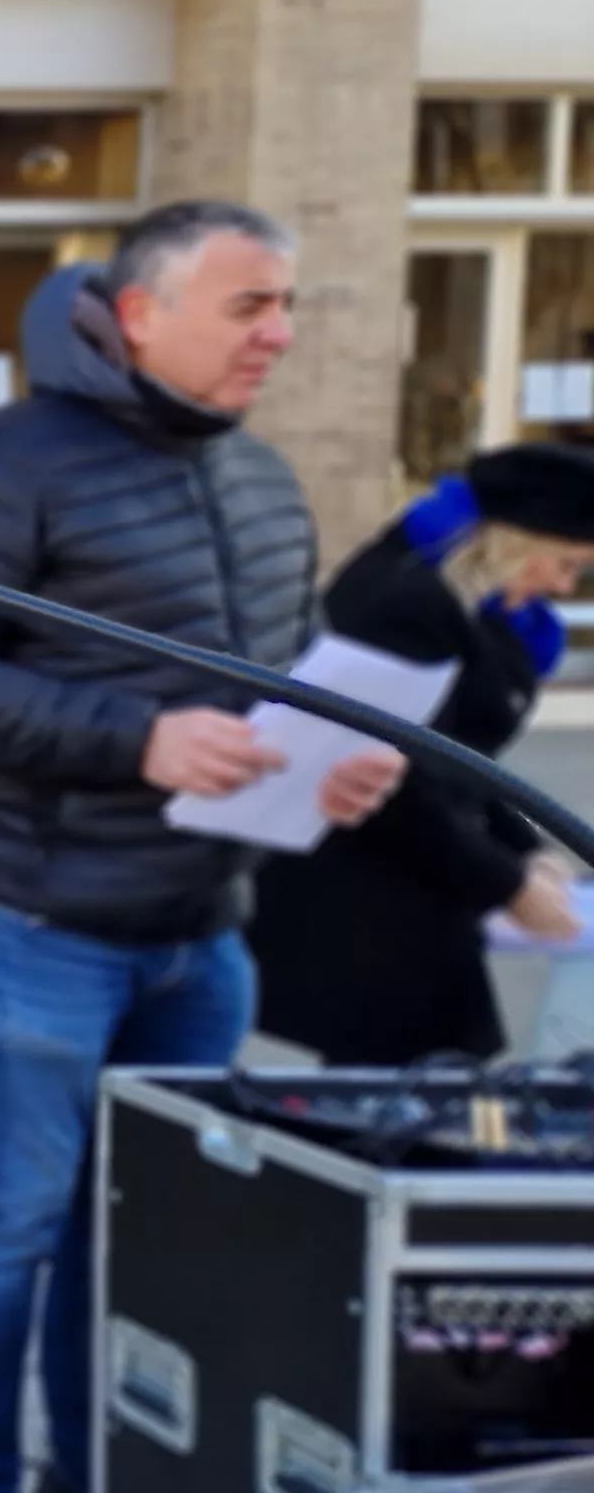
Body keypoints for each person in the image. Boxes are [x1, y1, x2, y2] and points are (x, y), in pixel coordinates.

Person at [0, 204, 406, 1493]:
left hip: (203, 926)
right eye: (247, 307)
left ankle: (93, 1480)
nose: (278, 333)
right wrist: (138, 739)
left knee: (142, 1234)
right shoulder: (1, 468)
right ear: (139, 311)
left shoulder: (265, 477)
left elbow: (277, 686)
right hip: (30, 914)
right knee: (10, 1215)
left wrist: (325, 769)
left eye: (287, 305)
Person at [251, 445, 594, 1067]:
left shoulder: (469, 604)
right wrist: (507, 881)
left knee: (430, 1079)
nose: (563, 587)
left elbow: (459, 759)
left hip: (411, 879)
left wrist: (526, 851)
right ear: (510, 540)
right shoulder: (406, 605)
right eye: (565, 563)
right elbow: (399, 776)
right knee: (410, 1092)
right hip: (367, 889)